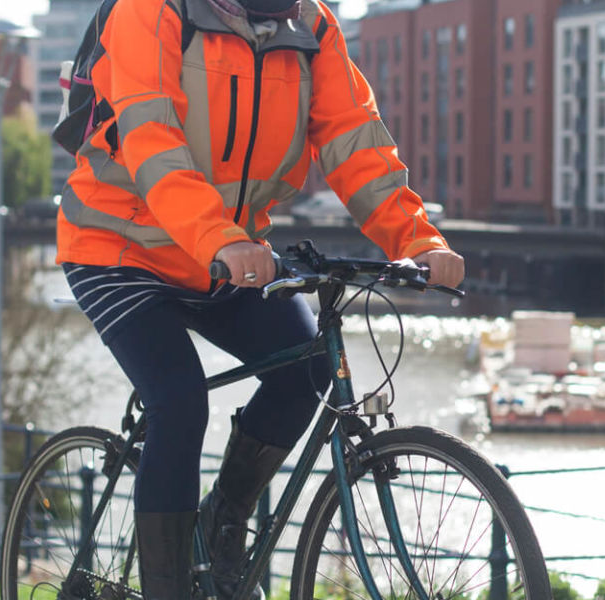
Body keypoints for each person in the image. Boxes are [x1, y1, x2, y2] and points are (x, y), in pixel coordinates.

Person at [50, 0, 463, 597]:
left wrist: (418, 239)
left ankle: (225, 516)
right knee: (178, 398)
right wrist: (220, 237)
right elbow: (151, 137)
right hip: (119, 248)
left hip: (229, 255)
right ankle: (166, 589)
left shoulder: (311, 26)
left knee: (308, 368)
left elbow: (353, 140)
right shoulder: (154, 10)